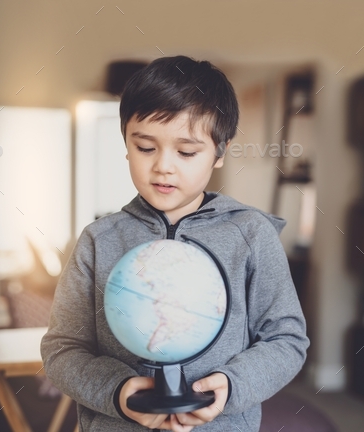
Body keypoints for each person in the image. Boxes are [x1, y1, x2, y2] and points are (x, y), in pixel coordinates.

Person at [40, 55, 310, 431]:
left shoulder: (251, 235)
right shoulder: (98, 241)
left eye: (186, 152)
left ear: (220, 152)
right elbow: (62, 350)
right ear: (126, 145)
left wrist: (233, 386)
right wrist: (117, 391)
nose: (163, 166)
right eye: (145, 148)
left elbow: (287, 340)